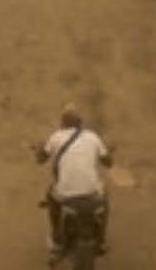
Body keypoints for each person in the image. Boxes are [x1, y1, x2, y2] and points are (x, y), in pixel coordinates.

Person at [39, 108, 109, 261]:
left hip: (65, 196)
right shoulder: (93, 137)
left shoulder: (56, 137)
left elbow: (41, 159)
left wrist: (39, 151)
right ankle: (102, 240)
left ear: (62, 124)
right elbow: (108, 162)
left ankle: (56, 237)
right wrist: (108, 154)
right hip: (92, 194)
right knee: (104, 197)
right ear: (80, 125)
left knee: (51, 196)